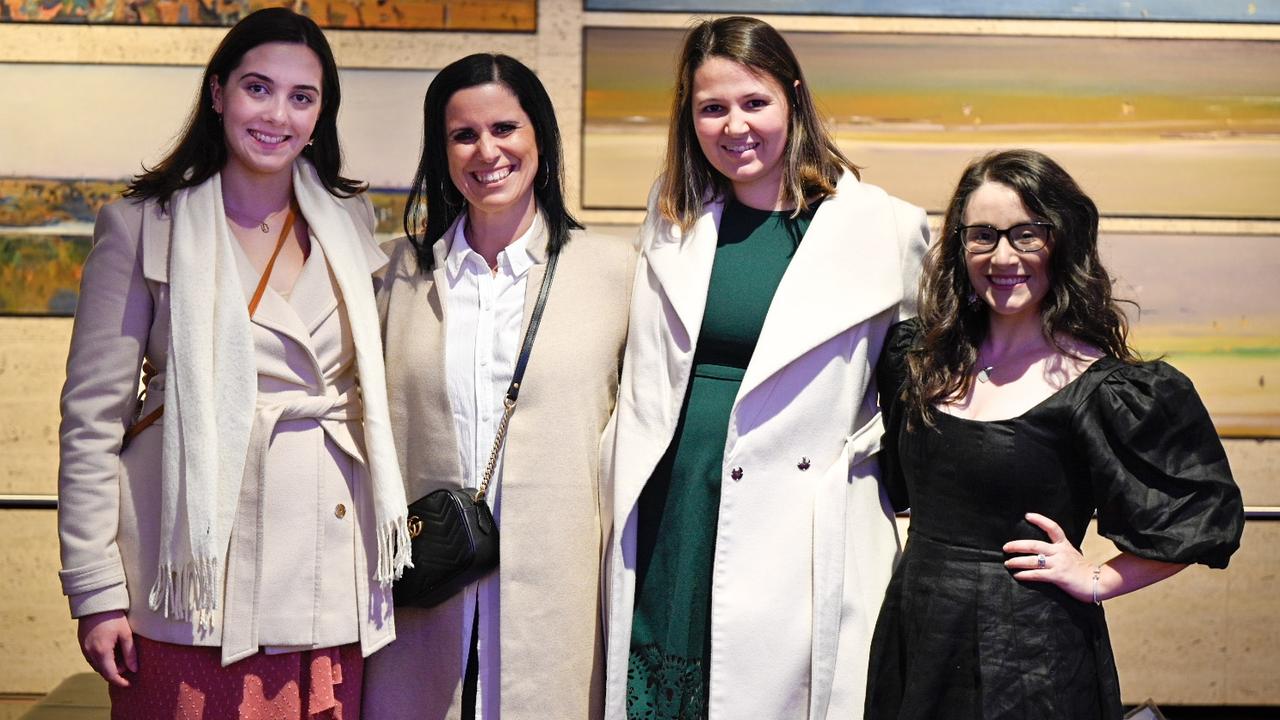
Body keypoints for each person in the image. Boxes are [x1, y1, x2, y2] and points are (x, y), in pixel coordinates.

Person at [56, 8, 411, 717]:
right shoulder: (141, 225)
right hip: (190, 580)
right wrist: (94, 591)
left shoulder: (351, 222)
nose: (277, 114)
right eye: (258, 88)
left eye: (302, 97)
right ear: (218, 93)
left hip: (325, 573)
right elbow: (91, 421)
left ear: (320, 114)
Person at [599, 16, 930, 719]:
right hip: (672, 501)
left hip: (800, 519)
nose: (734, 126)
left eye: (755, 102)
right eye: (711, 108)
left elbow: (916, 388)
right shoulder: (672, 213)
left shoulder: (883, 226)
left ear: (794, 99)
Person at [864, 149, 1245, 719]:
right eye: (983, 236)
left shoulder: (1107, 390)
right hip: (916, 636)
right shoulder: (914, 360)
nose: (1003, 256)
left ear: (1062, 241)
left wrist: (1095, 577)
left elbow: (1200, 518)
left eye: (1027, 234)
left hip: (1032, 660)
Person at [361, 53, 636, 720]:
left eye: (506, 128)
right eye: (463, 135)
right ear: (441, 150)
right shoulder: (391, 278)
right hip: (422, 611)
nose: (488, 151)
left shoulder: (615, 275)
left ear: (540, 134)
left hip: (559, 611)